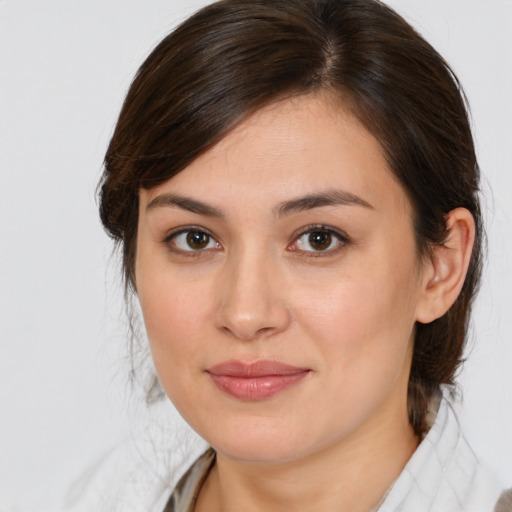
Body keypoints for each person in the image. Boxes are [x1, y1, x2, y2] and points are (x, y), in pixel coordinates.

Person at [66, 0, 511, 510]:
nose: (245, 314)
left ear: (440, 266)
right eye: (194, 238)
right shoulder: (99, 495)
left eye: (319, 238)